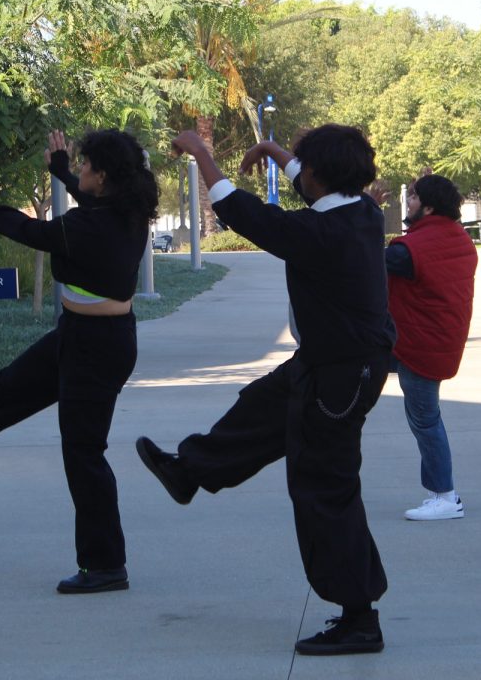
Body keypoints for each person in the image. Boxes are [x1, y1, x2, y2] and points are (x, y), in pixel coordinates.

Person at [136, 126, 394, 656]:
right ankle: (190, 471)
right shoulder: (362, 212)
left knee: (325, 490)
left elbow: (241, 211)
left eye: (303, 164)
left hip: (340, 377)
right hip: (332, 363)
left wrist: (204, 156)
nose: (299, 172)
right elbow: (311, 182)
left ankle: (358, 618)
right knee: (261, 408)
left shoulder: (318, 235)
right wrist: (277, 154)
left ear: (319, 176)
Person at [0, 129, 156, 594]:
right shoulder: (123, 209)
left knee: (84, 453)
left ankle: (105, 565)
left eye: (85, 167)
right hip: (81, 333)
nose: (79, 171)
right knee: (13, 386)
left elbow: (28, 230)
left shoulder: (92, 226)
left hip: (98, 347)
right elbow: (88, 204)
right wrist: (61, 169)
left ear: (101, 178)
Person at [386, 174, 477, 521]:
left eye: (412, 197)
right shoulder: (456, 238)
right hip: (433, 340)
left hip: (419, 345)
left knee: (425, 420)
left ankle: (445, 496)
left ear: (428, 206)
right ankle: (441, 493)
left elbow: (370, 261)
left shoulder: (415, 248)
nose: (407, 202)